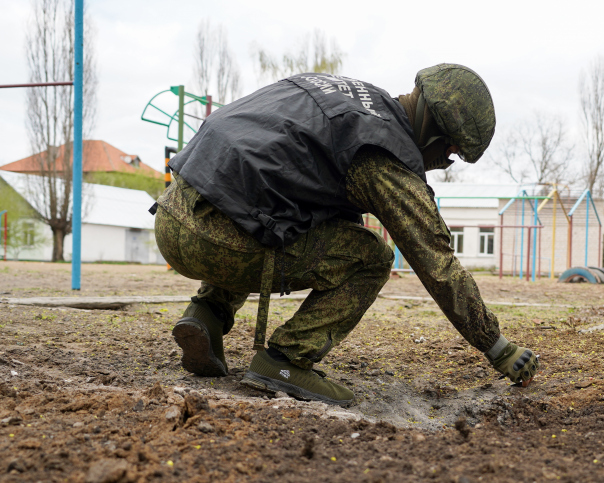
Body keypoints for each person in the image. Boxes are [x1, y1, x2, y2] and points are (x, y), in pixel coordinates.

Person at [152, 64, 540, 407]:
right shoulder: (383, 155)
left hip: (174, 210)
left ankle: (207, 313)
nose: (445, 162)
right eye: (451, 151)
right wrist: (497, 347)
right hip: (215, 241)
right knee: (371, 257)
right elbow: (437, 264)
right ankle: (286, 361)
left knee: (273, 205)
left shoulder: (343, 93)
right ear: (434, 129)